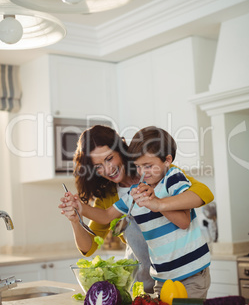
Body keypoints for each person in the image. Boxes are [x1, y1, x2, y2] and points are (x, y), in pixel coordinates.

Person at [59, 125, 213, 294]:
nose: (108, 169)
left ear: (120, 151)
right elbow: (91, 242)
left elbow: (203, 193)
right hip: (146, 279)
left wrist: (158, 203)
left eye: (109, 158)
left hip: (185, 271)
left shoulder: (160, 174)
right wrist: (77, 214)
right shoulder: (113, 196)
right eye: (98, 166)